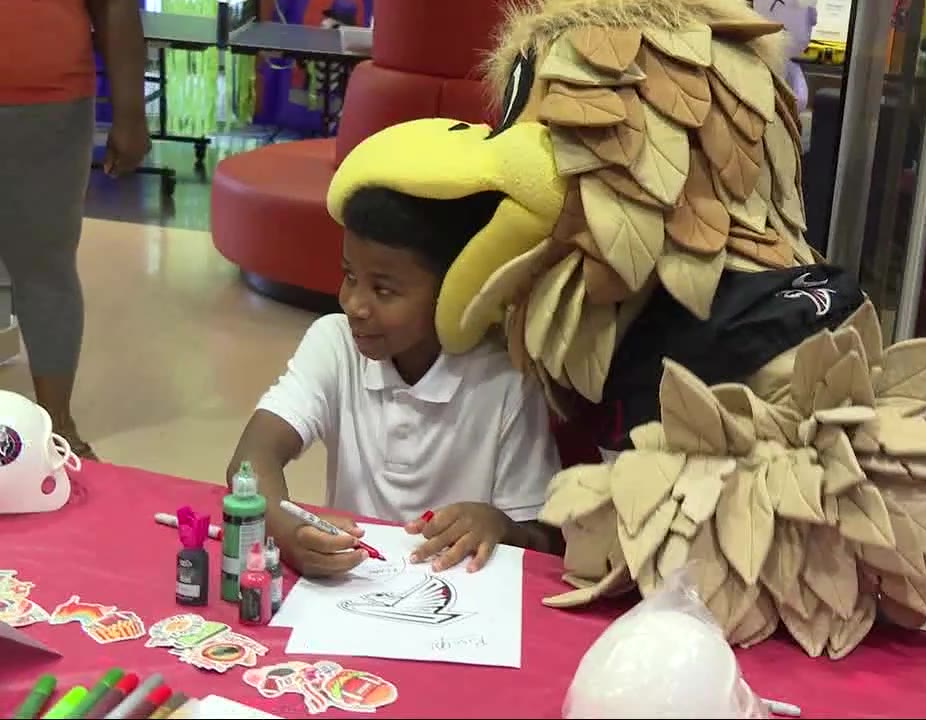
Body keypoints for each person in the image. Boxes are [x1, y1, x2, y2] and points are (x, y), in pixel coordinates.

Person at [228, 186, 563, 578]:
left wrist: (498, 525)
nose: (353, 303)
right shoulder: (335, 343)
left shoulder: (507, 380)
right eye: (349, 275)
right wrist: (288, 533)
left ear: (454, 292)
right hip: (351, 584)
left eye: (383, 290)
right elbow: (252, 458)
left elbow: (544, 539)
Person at [0, 0, 151, 459]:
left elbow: (113, 6)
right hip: (47, 97)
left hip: (45, 101)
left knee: (45, 267)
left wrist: (130, 111)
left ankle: (56, 425)